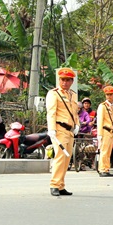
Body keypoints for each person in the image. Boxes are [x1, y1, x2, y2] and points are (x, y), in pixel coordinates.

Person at [46, 67, 79, 196]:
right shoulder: (54, 94)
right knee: (60, 156)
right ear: (59, 80)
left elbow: (74, 113)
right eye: (62, 80)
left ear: (72, 81)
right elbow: (51, 112)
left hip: (70, 130)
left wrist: (77, 125)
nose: (64, 82)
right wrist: (52, 129)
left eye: (67, 80)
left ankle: (60, 185)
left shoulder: (73, 94)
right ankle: (54, 184)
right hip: (59, 129)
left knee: (67, 158)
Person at [96, 86, 113, 177]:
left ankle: (106, 169)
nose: (109, 96)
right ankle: (102, 169)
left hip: (112, 132)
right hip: (105, 130)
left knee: (109, 151)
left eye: (111, 95)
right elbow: (100, 121)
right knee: (104, 151)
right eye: (108, 95)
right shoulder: (102, 106)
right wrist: (99, 134)